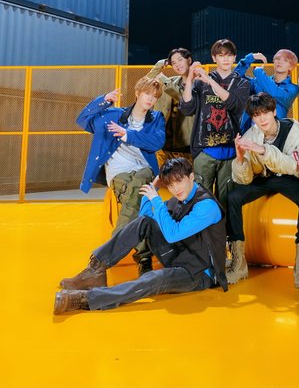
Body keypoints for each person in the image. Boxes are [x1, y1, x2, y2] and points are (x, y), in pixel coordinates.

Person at [54, 158, 227, 314]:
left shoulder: (207, 206)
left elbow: (173, 234)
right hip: (180, 255)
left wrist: (156, 201)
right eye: (170, 185)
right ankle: (94, 271)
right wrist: (153, 189)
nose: (176, 189)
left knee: (154, 278)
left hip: (198, 273)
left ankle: (87, 299)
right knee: (144, 222)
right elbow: (145, 219)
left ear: (191, 177)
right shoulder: (180, 199)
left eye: (179, 181)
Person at [77, 76, 166, 276]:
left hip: (144, 169)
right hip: (119, 172)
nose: (150, 99)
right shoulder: (113, 115)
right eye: (147, 94)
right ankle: (144, 259)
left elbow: (158, 142)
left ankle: (101, 262)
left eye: (154, 96)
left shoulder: (156, 118)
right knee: (139, 198)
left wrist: (127, 135)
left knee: (135, 190)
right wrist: (103, 101)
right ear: (137, 93)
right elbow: (82, 120)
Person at [226, 93, 299, 288]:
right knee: (232, 197)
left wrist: (263, 150)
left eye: (265, 112)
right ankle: (238, 263)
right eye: (256, 115)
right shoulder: (251, 135)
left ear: (274, 112)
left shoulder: (292, 129)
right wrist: (240, 159)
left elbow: (293, 165)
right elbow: (244, 179)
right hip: (263, 179)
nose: (262, 119)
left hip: (288, 177)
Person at [179, 39, 251, 208]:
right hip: (204, 149)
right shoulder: (200, 82)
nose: (225, 59)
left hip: (230, 150)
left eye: (229, 55)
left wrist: (210, 82)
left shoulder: (242, 83)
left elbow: (235, 105)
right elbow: (187, 108)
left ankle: (224, 227)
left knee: (226, 200)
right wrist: (190, 79)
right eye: (221, 55)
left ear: (234, 57)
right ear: (214, 58)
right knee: (200, 200)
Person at [147, 47, 194, 167]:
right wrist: (159, 65)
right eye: (173, 63)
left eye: (180, 60)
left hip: (187, 145)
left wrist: (164, 79)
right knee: (163, 175)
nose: (177, 65)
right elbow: (145, 84)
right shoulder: (170, 81)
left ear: (189, 60)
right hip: (164, 143)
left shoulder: (199, 83)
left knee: (186, 176)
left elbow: (185, 99)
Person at [235, 49, 299, 129]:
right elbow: (235, 79)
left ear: (291, 67)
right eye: (277, 58)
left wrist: (258, 72)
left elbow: (273, 92)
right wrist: (250, 58)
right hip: (249, 131)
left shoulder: (293, 89)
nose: (280, 62)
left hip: (274, 133)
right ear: (273, 62)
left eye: (285, 60)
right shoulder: (257, 81)